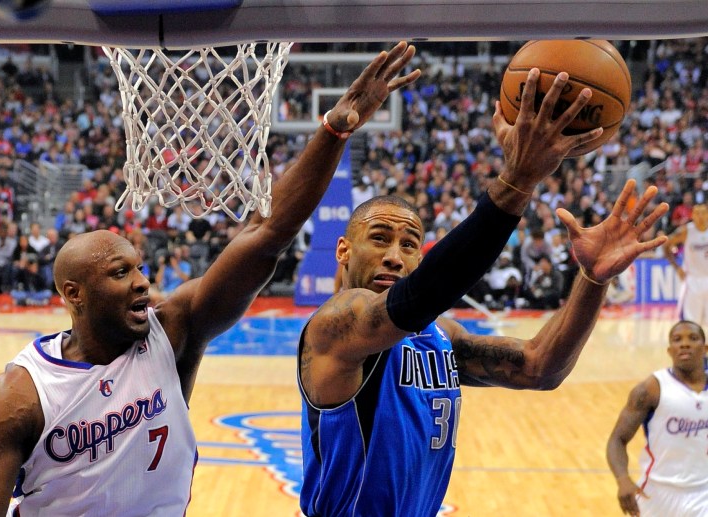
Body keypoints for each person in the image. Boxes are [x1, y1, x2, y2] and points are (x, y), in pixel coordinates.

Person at [0, 42, 421, 517]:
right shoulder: (21, 394)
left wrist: (332, 132)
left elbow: (264, 235)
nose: (142, 282)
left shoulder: (173, 331)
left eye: (139, 268)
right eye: (121, 273)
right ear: (73, 294)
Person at [296, 66, 670, 516]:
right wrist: (519, 178)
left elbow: (539, 368)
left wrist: (593, 279)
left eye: (410, 245)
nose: (395, 256)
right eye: (379, 239)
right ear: (343, 249)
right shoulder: (337, 325)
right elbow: (424, 293)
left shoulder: (441, 338)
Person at [606, 320, 708, 517]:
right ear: (670, 351)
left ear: (705, 349)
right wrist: (622, 479)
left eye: (692, 338)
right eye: (677, 340)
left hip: (703, 491)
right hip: (657, 494)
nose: (684, 344)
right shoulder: (650, 389)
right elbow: (617, 440)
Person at [664, 203, 708, 327]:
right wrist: (677, 268)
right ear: (692, 215)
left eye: (703, 213)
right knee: (691, 324)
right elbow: (666, 245)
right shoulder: (686, 231)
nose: (700, 216)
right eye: (697, 213)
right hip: (693, 282)